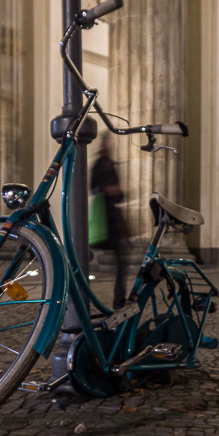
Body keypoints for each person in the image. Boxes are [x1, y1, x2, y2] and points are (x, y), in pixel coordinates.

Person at [90, 132, 130, 308]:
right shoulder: (99, 164)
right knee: (92, 257)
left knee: (122, 260)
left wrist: (119, 191)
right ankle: (83, 295)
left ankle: (119, 298)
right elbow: (93, 188)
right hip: (103, 217)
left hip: (114, 218)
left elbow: (120, 196)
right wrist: (109, 190)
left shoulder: (111, 164)